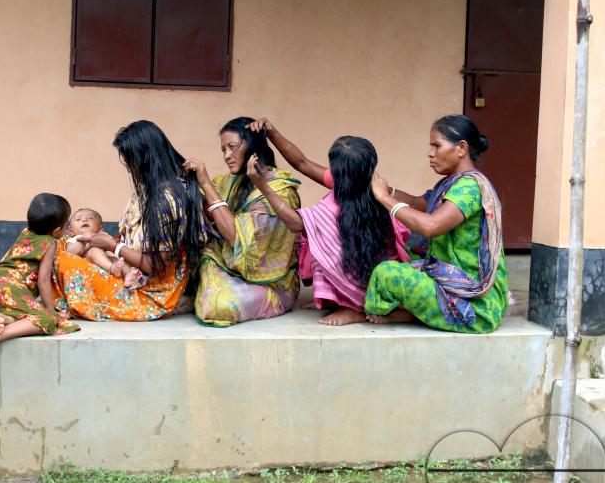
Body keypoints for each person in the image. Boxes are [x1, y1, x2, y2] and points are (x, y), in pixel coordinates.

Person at [245, 125, 411, 326]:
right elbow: (301, 162)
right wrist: (271, 131)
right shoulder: (372, 186)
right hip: (380, 281)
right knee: (324, 241)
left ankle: (355, 308)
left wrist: (263, 185)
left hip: (370, 278)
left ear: (338, 171)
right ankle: (345, 300)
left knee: (318, 242)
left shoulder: (332, 207)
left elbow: (296, 224)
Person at [365, 114, 508, 333]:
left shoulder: (470, 187)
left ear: (461, 148)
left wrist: (385, 199)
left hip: (476, 307)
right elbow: (415, 203)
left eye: (436, 145)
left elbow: (430, 226)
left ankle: (395, 312)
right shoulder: (451, 183)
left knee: (387, 273)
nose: (430, 153)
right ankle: (417, 312)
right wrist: (382, 189)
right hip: (451, 284)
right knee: (399, 254)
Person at [52, 120, 205, 322]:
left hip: (148, 292)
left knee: (61, 262)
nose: (128, 168)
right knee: (59, 245)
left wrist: (112, 245)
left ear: (144, 158)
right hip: (129, 270)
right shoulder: (150, 187)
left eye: (129, 160)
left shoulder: (166, 201)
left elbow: (153, 266)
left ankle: (51, 306)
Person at [183, 117, 301, 327]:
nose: (227, 156)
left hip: (271, 283)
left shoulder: (280, 190)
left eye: (232, 147)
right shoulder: (232, 181)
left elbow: (236, 239)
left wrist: (206, 185)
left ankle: (201, 296)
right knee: (204, 257)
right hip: (231, 269)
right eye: (223, 150)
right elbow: (203, 196)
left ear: (253, 147)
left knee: (220, 305)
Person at [0, 193, 80, 371]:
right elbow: (43, 281)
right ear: (57, 230)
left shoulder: (25, 233)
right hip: (11, 287)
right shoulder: (50, 243)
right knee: (47, 319)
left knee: (18, 313)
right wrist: (51, 311)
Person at [63, 208, 144, 289]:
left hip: (108, 261)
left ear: (100, 228)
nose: (84, 220)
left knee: (118, 258)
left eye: (90, 218)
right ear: (71, 230)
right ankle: (112, 268)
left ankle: (129, 275)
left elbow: (114, 248)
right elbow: (69, 253)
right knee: (94, 250)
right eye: (78, 219)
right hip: (89, 263)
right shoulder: (74, 239)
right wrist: (85, 240)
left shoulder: (103, 235)